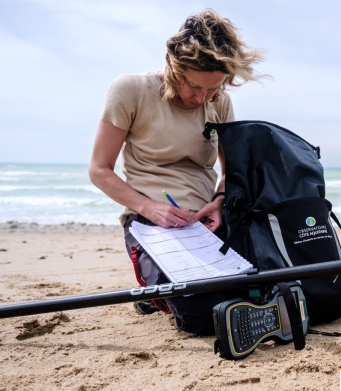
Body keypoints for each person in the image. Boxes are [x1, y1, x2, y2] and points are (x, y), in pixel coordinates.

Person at [89, 10, 264, 334]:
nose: (203, 99)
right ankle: (154, 295)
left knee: (257, 290)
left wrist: (221, 200)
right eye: (195, 88)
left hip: (207, 220)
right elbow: (99, 170)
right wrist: (148, 207)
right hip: (152, 221)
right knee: (204, 318)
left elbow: (231, 170)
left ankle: (167, 290)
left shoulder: (219, 101)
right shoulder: (130, 89)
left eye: (213, 90)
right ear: (174, 67)